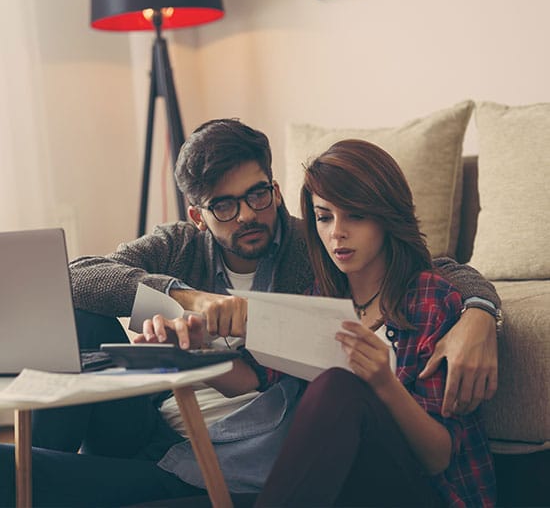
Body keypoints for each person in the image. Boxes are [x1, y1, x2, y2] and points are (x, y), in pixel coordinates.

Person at [0, 120, 499, 506]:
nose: (247, 215)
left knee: (335, 385)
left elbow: (433, 268)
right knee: (79, 322)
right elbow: (78, 274)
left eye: (258, 194)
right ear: (197, 216)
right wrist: (186, 313)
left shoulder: (317, 253)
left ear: (276, 189)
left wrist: (479, 314)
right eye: (224, 206)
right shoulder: (196, 249)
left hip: (260, 453)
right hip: (158, 431)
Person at [255, 139, 496, 507]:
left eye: (355, 215)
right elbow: (258, 375)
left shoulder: (432, 299)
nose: (337, 232)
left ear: (386, 216)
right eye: (324, 216)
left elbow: (439, 458)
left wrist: (383, 383)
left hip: (426, 493)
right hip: (345, 491)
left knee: (338, 384)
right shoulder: (316, 301)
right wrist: (196, 340)